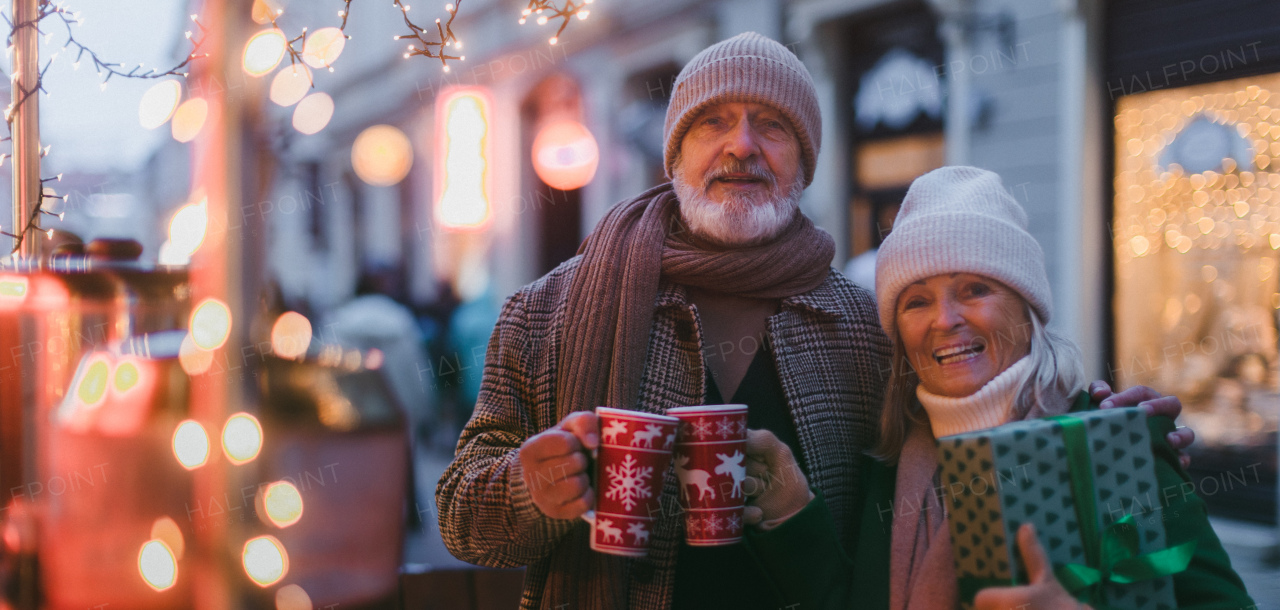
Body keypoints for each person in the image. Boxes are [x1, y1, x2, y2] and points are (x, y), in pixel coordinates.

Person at [435, 34, 1191, 610]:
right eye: (713, 123)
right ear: (674, 155)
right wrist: (525, 488)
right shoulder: (546, 312)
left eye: (772, 125)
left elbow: (973, 411)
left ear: (803, 161)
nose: (741, 144)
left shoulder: (864, 324)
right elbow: (461, 520)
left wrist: (1099, 430)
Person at [740, 166, 1252, 610]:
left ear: (1025, 310)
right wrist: (790, 509)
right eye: (916, 301)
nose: (944, 320)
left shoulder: (1110, 446)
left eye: (974, 290)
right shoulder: (890, 466)